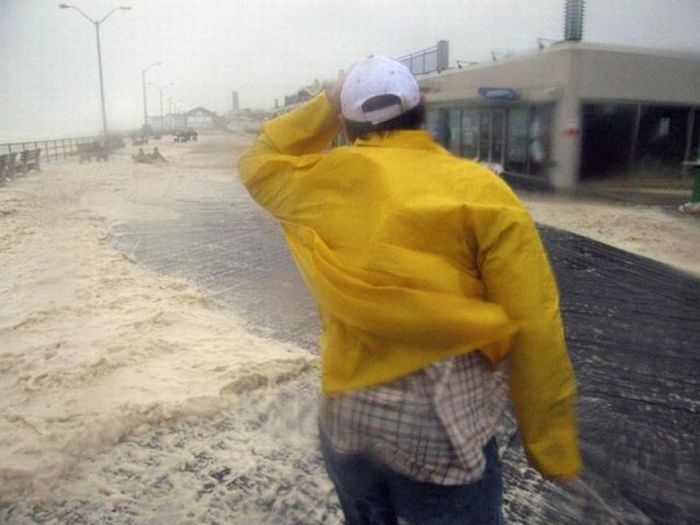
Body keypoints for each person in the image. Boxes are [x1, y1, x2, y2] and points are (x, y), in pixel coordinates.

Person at [238, 56, 581, 524]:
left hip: (349, 419)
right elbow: (535, 323)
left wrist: (327, 103)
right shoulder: (480, 190)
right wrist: (551, 445)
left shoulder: (318, 185)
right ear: (421, 113)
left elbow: (259, 160)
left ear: (347, 125)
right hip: (441, 429)